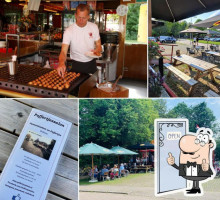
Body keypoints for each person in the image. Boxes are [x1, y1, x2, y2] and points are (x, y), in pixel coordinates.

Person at [167, 127, 215, 195]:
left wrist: (206, 168)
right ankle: (195, 188)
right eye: (185, 153)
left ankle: (196, 188)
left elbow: (208, 171)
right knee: (194, 177)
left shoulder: (202, 162)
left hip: (200, 168)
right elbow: (180, 169)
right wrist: (173, 164)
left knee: (196, 177)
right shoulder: (185, 163)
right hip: (192, 169)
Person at [57, 4, 102, 76]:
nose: (81, 21)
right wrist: (61, 63)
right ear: (75, 15)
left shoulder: (94, 27)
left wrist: (97, 50)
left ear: (88, 17)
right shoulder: (69, 31)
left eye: (84, 18)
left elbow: (98, 45)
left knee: (91, 86)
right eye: (79, 17)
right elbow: (63, 51)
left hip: (91, 64)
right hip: (76, 65)